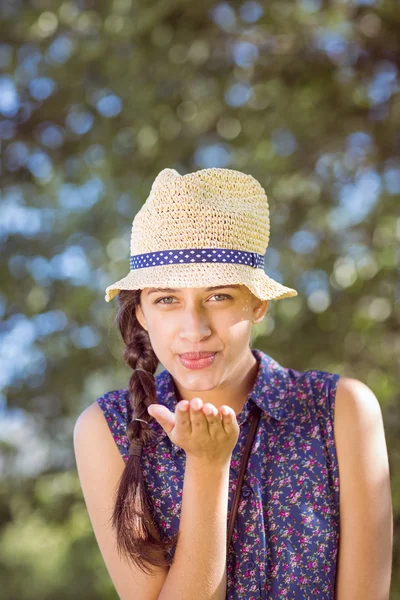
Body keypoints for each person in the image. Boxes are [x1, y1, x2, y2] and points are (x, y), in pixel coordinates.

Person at [73, 167, 393, 600]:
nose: (195, 328)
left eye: (219, 296)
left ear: (258, 302)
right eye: (167, 300)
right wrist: (207, 465)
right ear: (142, 314)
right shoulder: (106, 429)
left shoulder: (340, 410)